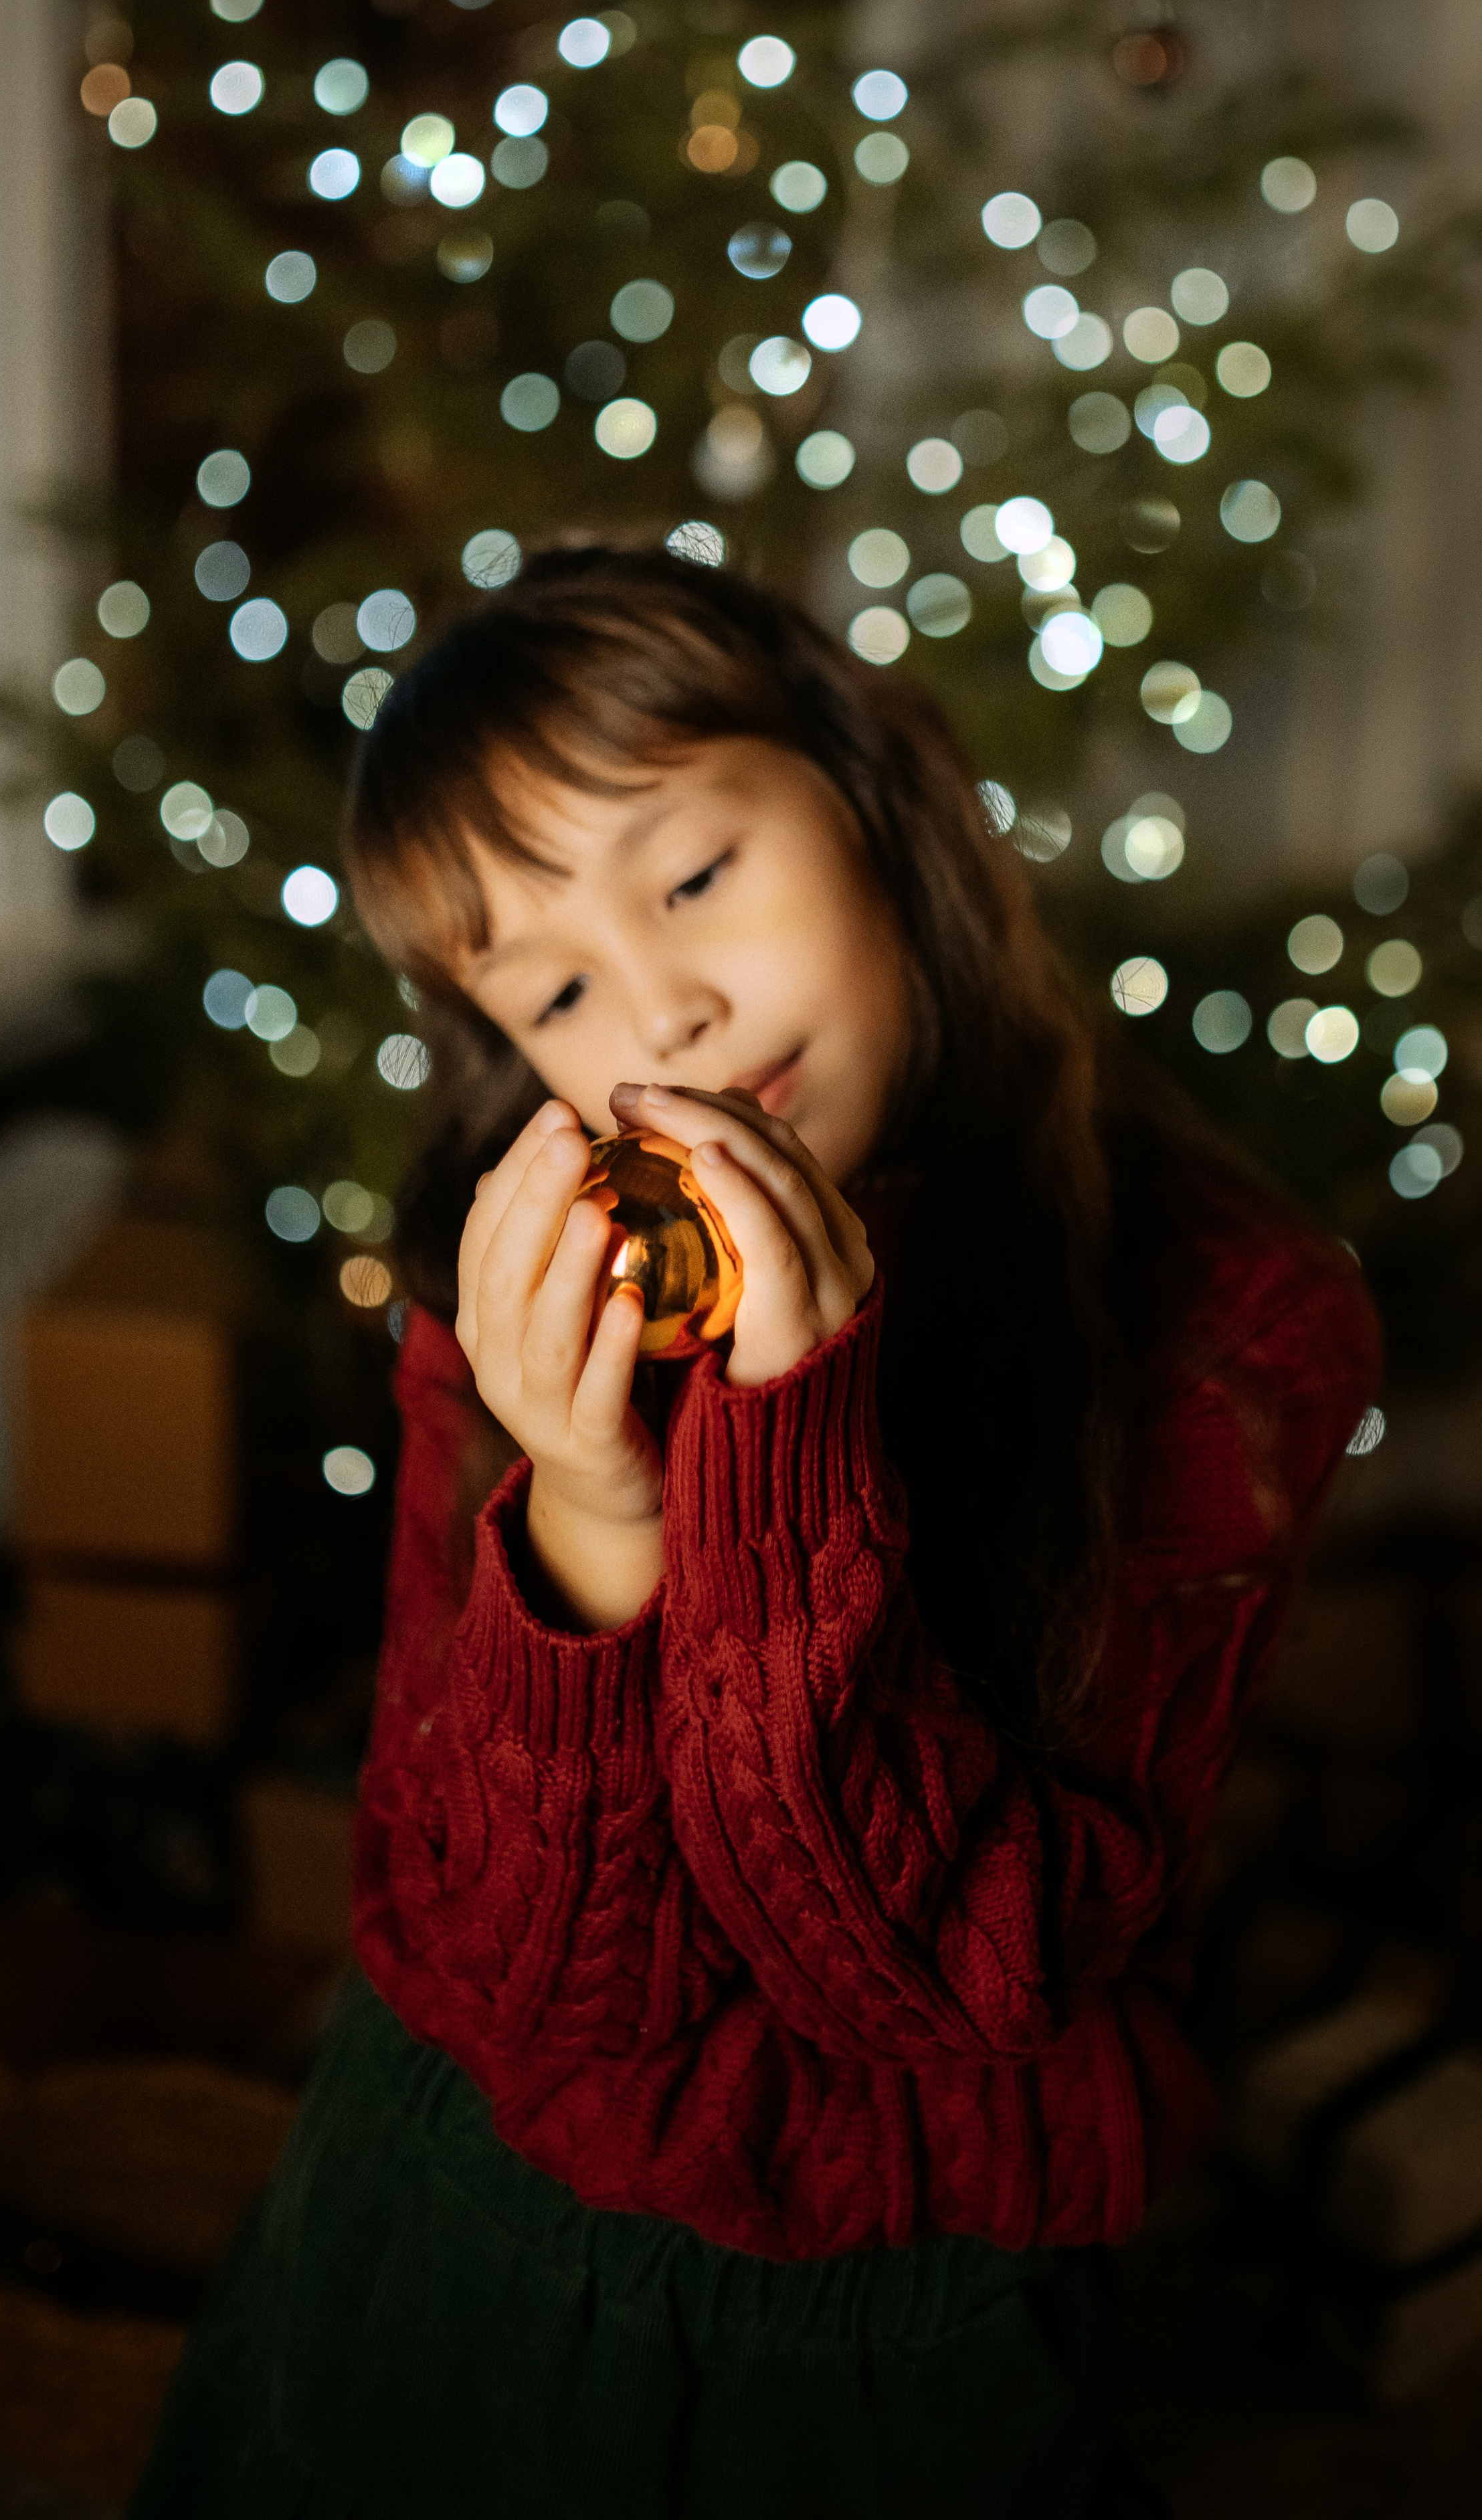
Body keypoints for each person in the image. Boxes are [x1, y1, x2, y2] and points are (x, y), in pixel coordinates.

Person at [130, 542, 1378, 2519]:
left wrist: (787, 1460)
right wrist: (597, 1511)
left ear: (872, 791)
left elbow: (935, 1992)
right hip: (453, 2222)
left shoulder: (1235, 1322)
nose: (675, 1007)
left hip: (890, 2330)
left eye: (695, 876)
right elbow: (520, 1983)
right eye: (551, 988)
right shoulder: (511, 1324)